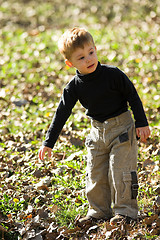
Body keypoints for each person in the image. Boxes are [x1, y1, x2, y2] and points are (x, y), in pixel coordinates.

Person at [39, 27, 150, 225]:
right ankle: (99, 210)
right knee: (96, 172)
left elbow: (132, 95)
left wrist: (141, 122)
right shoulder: (73, 87)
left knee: (121, 170)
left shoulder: (113, 75)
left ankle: (125, 212)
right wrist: (49, 142)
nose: (89, 59)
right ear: (70, 63)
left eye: (91, 52)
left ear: (95, 49)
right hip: (97, 131)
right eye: (81, 57)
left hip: (122, 128)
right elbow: (62, 113)